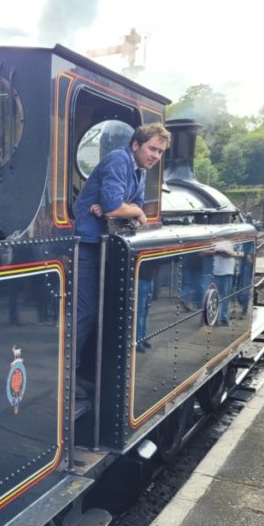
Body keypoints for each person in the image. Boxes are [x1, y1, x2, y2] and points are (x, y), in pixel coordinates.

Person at [72, 122, 171, 398]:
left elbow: (121, 210)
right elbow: (122, 208)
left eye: (161, 152)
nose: (155, 156)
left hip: (106, 247)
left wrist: (121, 211)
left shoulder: (138, 172)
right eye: (152, 149)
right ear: (136, 144)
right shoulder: (119, 160)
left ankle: (88, 373)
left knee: (108, 314)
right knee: (85, 313)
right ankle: (67, 377)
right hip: (87, 246)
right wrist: (133, 212)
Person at [211, 241, 242, 325]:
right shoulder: (215, 240)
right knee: (216, 297)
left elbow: (241, 254)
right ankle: (215, 318)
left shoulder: (234, 242)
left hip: (227, 272)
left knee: (224, 297)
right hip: (216, 272)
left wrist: (230, 253)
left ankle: (223, 318)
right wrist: (217, 252)